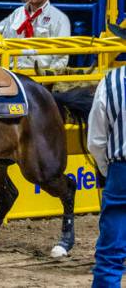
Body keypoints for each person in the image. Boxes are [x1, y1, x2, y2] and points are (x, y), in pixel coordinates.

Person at [86, 63, 126, 288]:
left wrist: (109, 170)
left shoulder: (112, 82)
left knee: (110, 253)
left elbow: (96, 141)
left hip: (122, 170)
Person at [0, 0, 71, 70]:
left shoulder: (59, 18)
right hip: (14, 70)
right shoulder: (17, 14)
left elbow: (62, 56)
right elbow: (1, 38)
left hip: (41, 73)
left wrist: (49, 77)